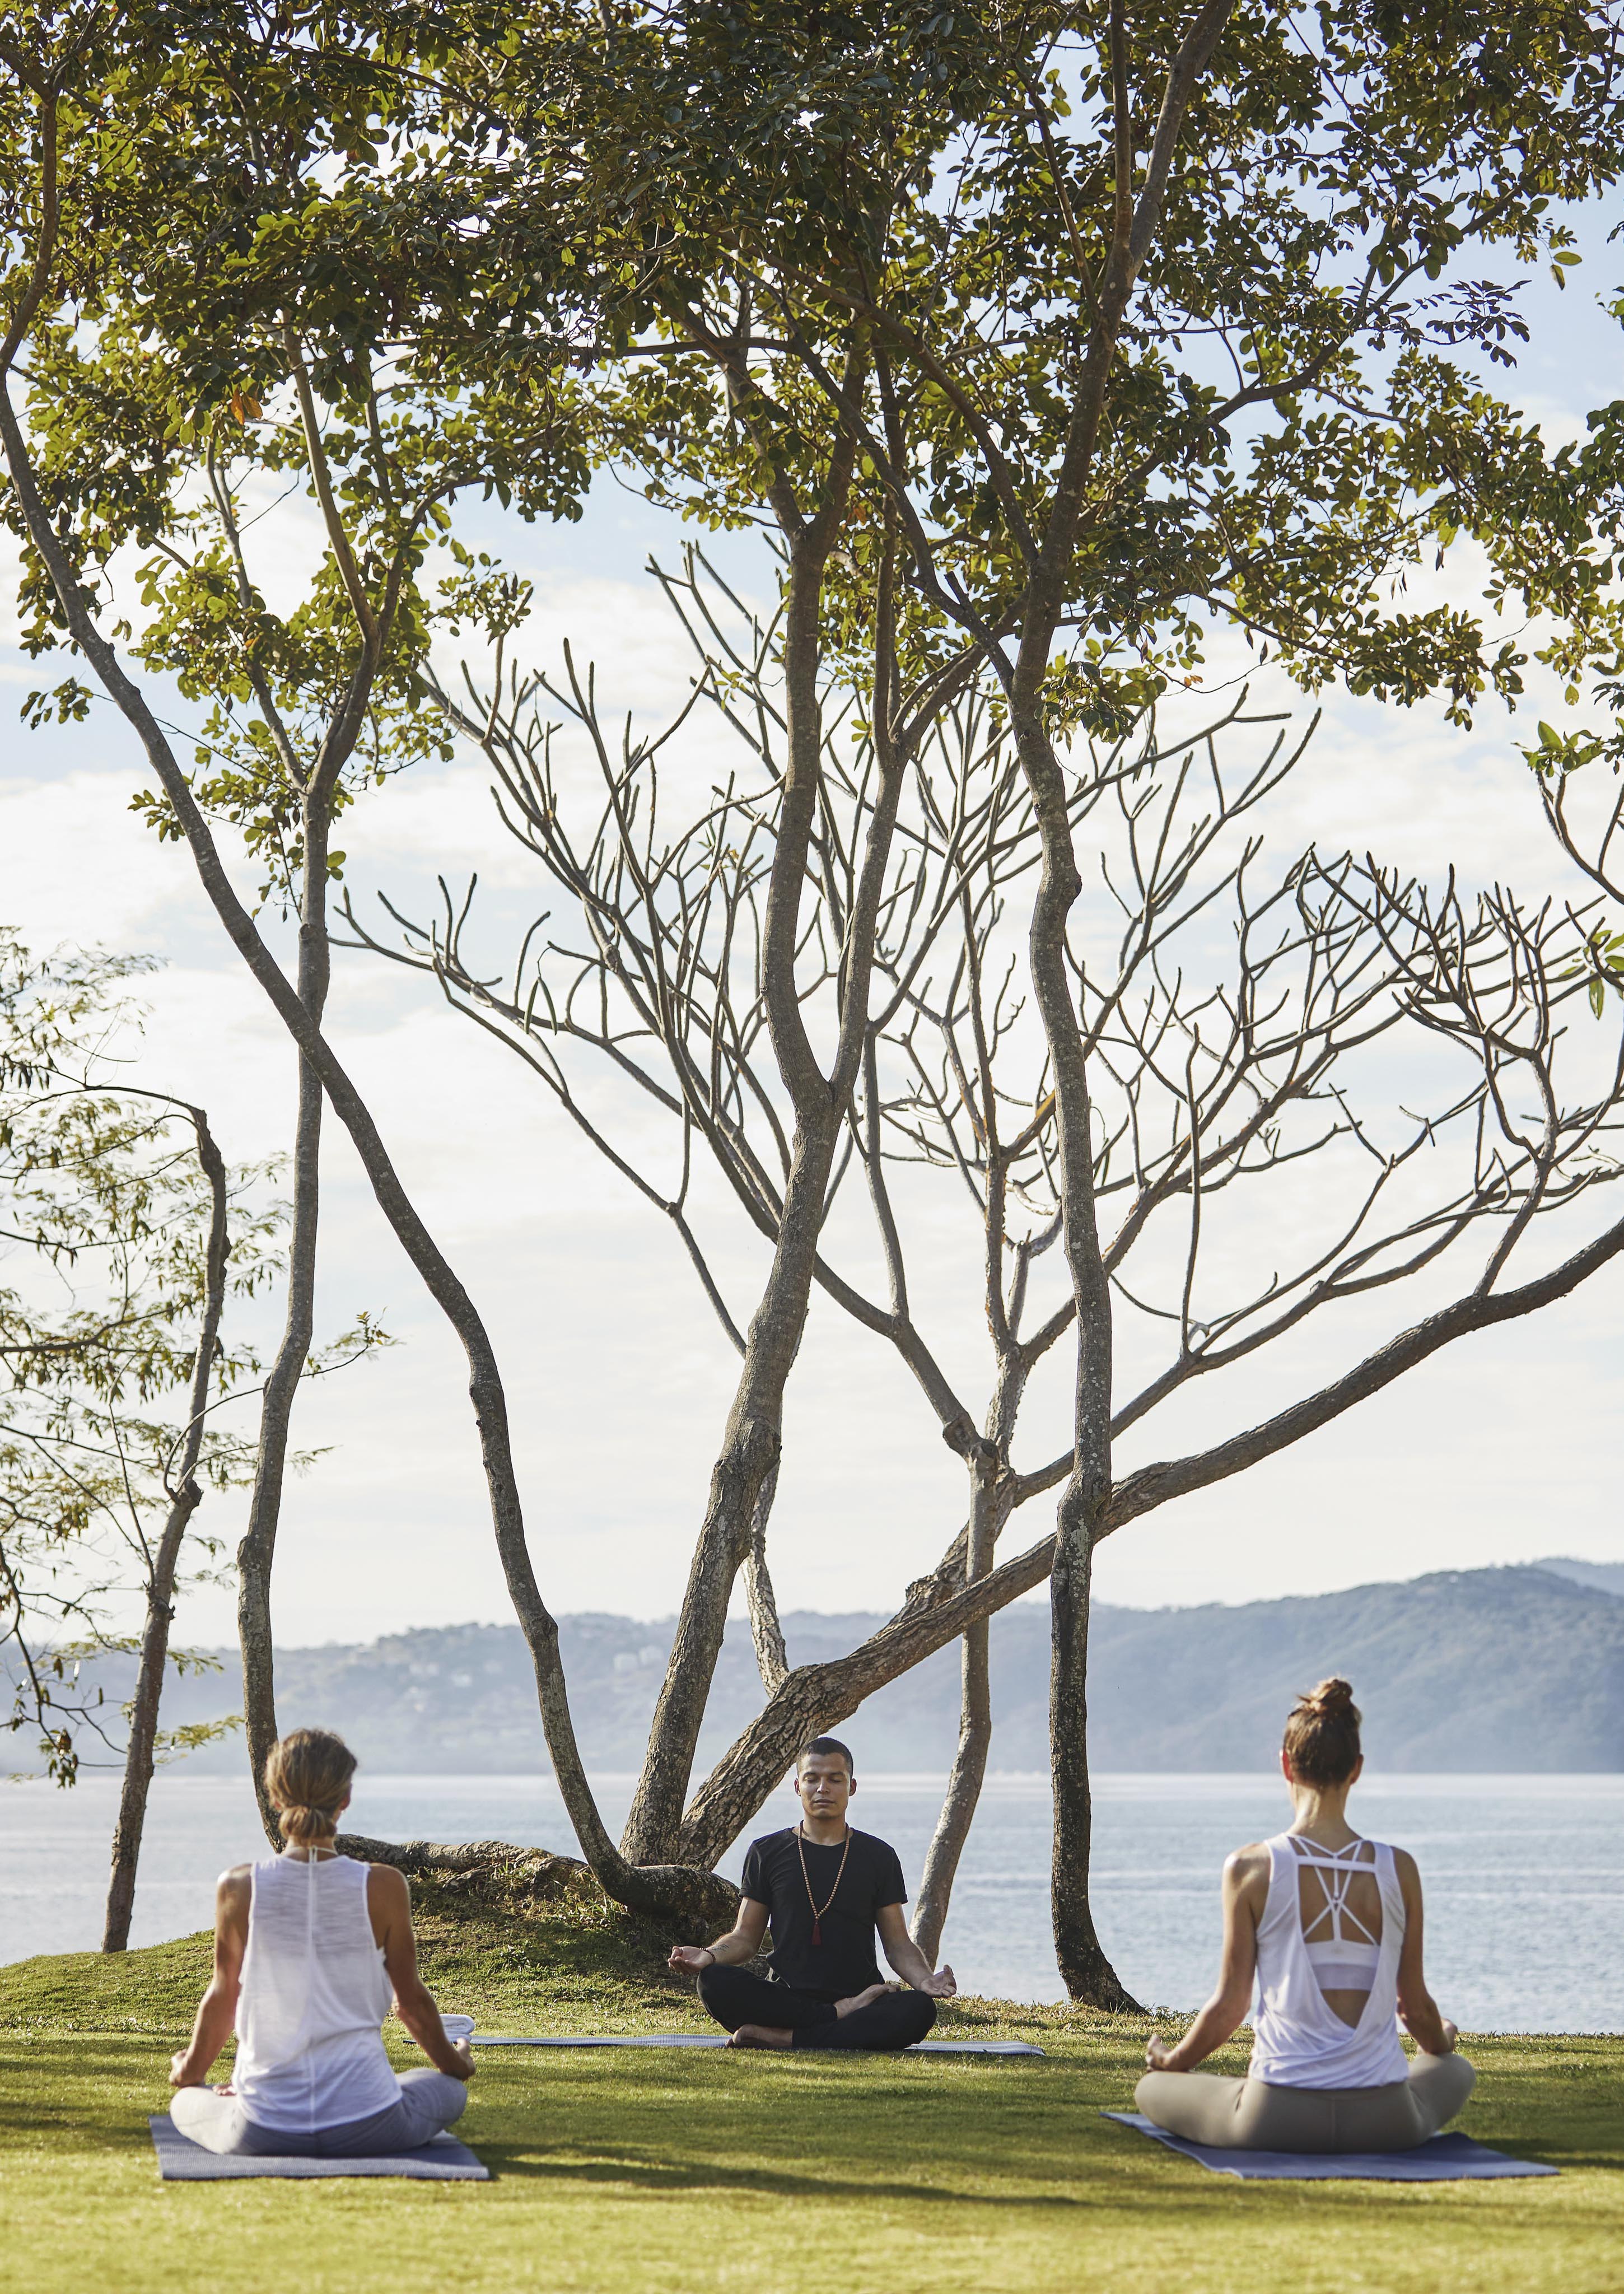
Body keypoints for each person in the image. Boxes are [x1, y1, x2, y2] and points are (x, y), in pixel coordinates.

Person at [1135, 1678, 1476, 2153]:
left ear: (1285, 1765)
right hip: (1385, 2121)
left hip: (1274, 2118)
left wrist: (1172, 2062)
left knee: (1151, 2088)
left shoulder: (1250, 1868)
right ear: (1357, 1770)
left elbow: (1232, 2005)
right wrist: (1439, 2044)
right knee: (1455, 2067)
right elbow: (1413, 2006)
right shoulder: (1400, 1869)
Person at [167, 1727, 475, 2157]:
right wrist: (457, 2062)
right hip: (371, 2124)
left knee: (185, 2102)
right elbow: (411, 2005)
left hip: (260, 2130)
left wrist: (190, 2072)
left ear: (274, 1798)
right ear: (345, 1799)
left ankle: (240, 2095)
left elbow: (224, 1998)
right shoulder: (385, 1886)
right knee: (446, 2089)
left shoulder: (238, 1886)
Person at [669, 1736, 957, 2049]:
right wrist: (709, 1955)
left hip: (862, 1996)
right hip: (788, 1999)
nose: (823, 1788)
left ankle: (784, 2037)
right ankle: (833, 2019)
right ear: (797, 1787)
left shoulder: (879, 1856)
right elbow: (745, 1938)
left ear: (852, 1787)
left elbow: (898, 1944)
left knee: (917, 2009)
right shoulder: (767, 1852)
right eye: (812, 1779)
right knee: (713, 1981)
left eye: (835, 1779)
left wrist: (924, 1980)